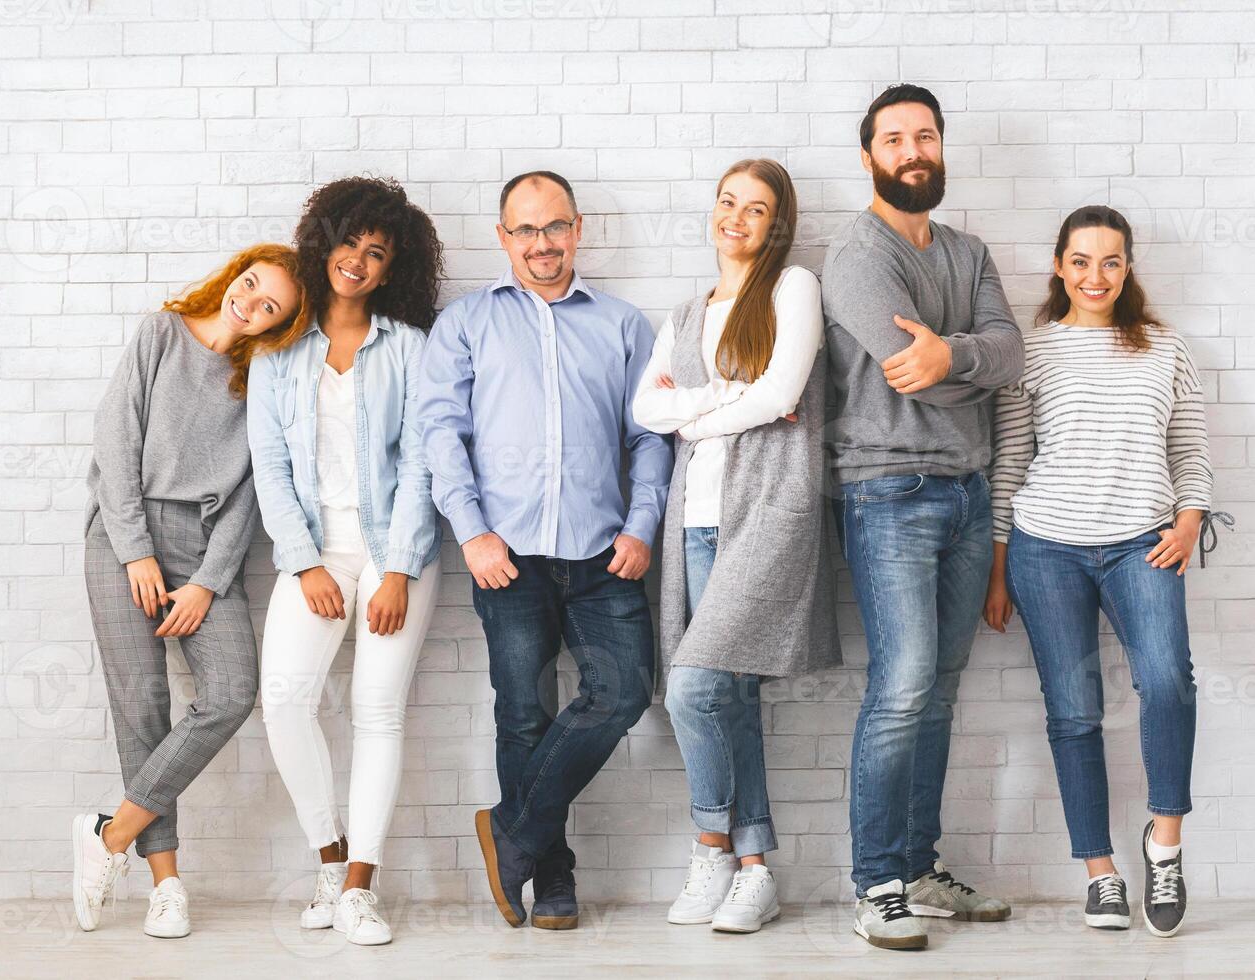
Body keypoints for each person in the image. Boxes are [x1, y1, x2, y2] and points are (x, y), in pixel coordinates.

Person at [417, 170, 672, 931]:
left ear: (578, 229)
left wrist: (642, 525)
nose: (542, 243)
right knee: (524, 716)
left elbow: (650, 435)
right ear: (502, 238)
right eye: (525, 230)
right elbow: (440, 435)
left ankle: (512, 834)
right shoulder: (465, 325)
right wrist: (472, 531)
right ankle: (551, 879)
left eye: (554, 226)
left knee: (623, 692)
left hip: (605, 554)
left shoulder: (626, 326)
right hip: (507, 557)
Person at [820, 84, 1025, 951]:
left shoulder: (970, 252)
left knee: (937, 693)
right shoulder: (853, 254)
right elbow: (919, 374)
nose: (913, 150)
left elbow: (1010, 354)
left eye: (926, 136)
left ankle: (916, 867)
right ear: (867, 155)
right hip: (888, 492)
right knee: (901, 689)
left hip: (970, 495)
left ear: (942, 148)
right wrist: (952, 362)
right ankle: (874, 885)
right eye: (895, 139)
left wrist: (959, 356)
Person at [985, 204, 1214, 939]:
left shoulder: (1164, 347)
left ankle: (1165, 845)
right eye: (1080, 261)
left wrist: (1189, 519)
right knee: (1073, 710)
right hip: (1044, 547)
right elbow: (1011, 461)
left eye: (1110, 261)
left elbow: (1190, 447)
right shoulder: (1034, 351)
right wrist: (997, 569)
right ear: (1059, 265)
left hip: (1142, 543)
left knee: (1168, 680)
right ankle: (1101, 874)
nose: (1095, 275)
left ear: (1128, 267)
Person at [633, 158, 842, 934]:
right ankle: (757, 869)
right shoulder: (687, 313)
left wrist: (691, 413)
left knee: (691, 687)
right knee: (729, 695)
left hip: (769, 513)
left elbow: (783, 393)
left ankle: (711, 843)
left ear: (776, 223)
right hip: (695, 518)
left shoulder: (794, 289)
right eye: (726, 203)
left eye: (755, 209)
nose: (736, 219)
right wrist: (725, 399)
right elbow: (642, 408)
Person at [73, 244, 306, 939]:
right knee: (141, 706)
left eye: (272, 307)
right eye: (252, 284)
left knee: (231, 693)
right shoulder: (159, 333)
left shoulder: (263, 378)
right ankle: (166, 884)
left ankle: (110, 835)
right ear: (236, 272)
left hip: (207, 551)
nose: (252, 303)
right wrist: (135, 552)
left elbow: (255, 489)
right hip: (123, 534)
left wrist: (208, 580)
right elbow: (114, 443)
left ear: (280, 325)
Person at [248, 176, 444, 947]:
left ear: (393, 267)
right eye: (348, 244)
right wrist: (304, 563)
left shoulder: (411, 349)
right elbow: (268, 463)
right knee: (286, 702)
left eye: (375, 252)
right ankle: (328, 860)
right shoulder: (279, 351)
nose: (357, 262)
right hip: (315, 552)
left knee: (377, 712)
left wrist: (396, 568)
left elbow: (425, 463)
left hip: (396, 551)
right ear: (321, 245)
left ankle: (363, 886)